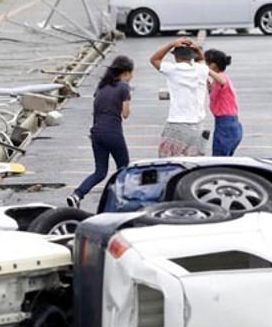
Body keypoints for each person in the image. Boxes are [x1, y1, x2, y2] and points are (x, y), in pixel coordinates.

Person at [67, 55, 134, 209]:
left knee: (100, 171)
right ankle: (121, 201)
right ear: (124, 73)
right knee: (124, 169)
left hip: (96, 133)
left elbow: (96, 110)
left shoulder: (101, 86)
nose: (132, 76)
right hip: (113, 133)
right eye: (131, 73)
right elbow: (125, 114)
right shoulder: (124, 87)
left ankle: (77, 194)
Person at [149, 37, 221, 157]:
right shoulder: (202, 69)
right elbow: (202, 60)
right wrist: (198, 49)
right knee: (193, 165)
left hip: (177, 124)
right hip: (197, 126)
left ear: (175, 56)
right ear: (193, 56)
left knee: (167, 163)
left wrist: (171, 44)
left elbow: (154, 59)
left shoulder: (172, 69)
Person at [204, 49, 241, 156]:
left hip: (227, 124)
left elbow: (222, 81)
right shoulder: (215, 82)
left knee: (219, 158)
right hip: (224, 123)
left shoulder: (222, 77)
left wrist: (204, 69)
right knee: (222, 157)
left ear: (214, 65)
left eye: (206, 63)